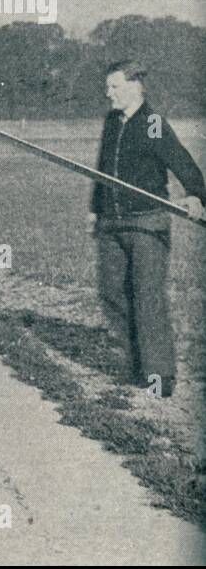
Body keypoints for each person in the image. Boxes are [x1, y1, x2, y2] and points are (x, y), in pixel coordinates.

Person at [89, 60, 206, 399]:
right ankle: (138, 365)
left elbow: (180, 161)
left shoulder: (152, 123)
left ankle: (159, 377)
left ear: (135, 85)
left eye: (114, 86)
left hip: (146, 223)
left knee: (147, 298)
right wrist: (95, 210)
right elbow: (102, 169)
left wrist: (196, 195)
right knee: (112, 293)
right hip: (111, 222)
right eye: (107, 87)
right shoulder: (112, 121)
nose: (107, 93)